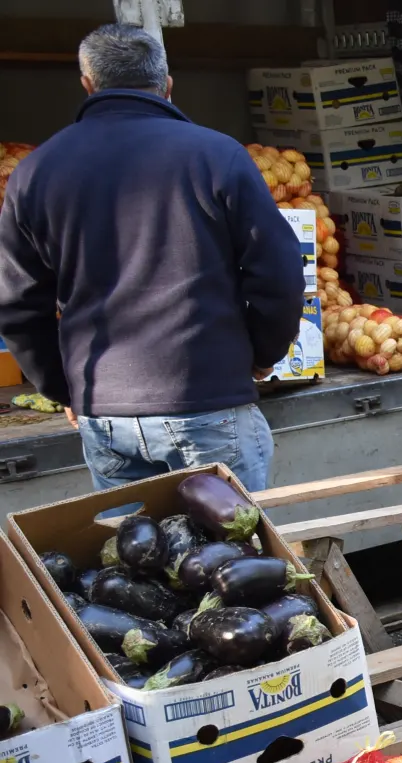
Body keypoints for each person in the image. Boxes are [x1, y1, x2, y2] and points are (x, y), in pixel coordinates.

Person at [0, 23, 303, 493]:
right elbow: (279, 273)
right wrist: (263, 354)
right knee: (231, 559)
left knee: (131, 562)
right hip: (206, 400)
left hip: (103, 409)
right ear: (166, 85)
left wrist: (65, 386)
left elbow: (18, 304)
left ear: (87, 84)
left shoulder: (36, 172)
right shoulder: (216, 155)